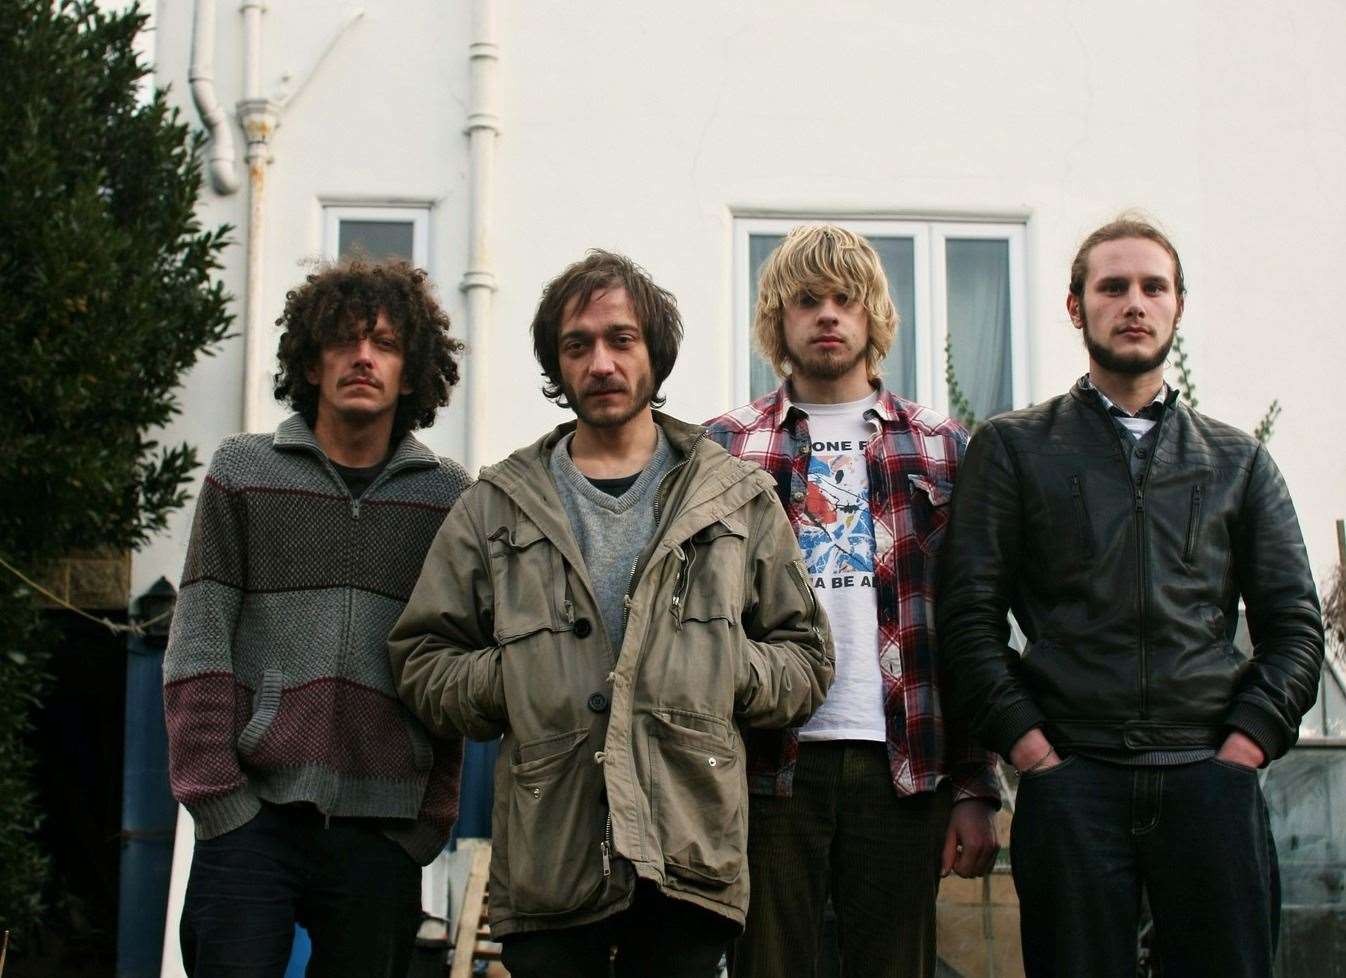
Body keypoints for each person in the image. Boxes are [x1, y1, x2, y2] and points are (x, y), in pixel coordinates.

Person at [388, 249, 834, 978]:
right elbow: (422, 656)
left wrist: (723, 665)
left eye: (621, 340)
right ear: (556, 367)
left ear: (654, 355)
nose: (601, 362)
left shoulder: (734, 496)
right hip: (550, 860)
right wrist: (516, 682)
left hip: (689, 851)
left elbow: (806, 656)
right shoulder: (498, 503)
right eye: (578, 345)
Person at [938, 216, 1325, 978]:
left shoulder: (1239, 461)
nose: (1134, 302)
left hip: (1210, 780)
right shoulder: (1015, 449)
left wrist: (1243, 749)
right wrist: (1034, 752)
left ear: (1180, 306)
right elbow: (967, 621)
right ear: (1076, 307)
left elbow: (1296, 628)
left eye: (1154, 286)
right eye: (1112, 287)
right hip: (1073, 782)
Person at [704, 224, 1000, 978]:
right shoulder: (724, 449)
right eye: (807, 300)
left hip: (901, 763)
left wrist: (974, 787)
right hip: (765, 767)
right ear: (779, 318)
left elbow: (970, 626)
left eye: (845, 299)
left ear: (873, 316)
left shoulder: (939, 446)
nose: (828, 315)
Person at [163, 259, 471, 978]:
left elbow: (450, 663)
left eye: (386, 344)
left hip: (382, 832)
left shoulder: (449, 499)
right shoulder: (243, 472)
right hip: (251, 818)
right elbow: (198, 639)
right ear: (309, 360)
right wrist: (218, 799)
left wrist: (427, 823)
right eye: (342, 341)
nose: (363, 358)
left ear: (413, 368)